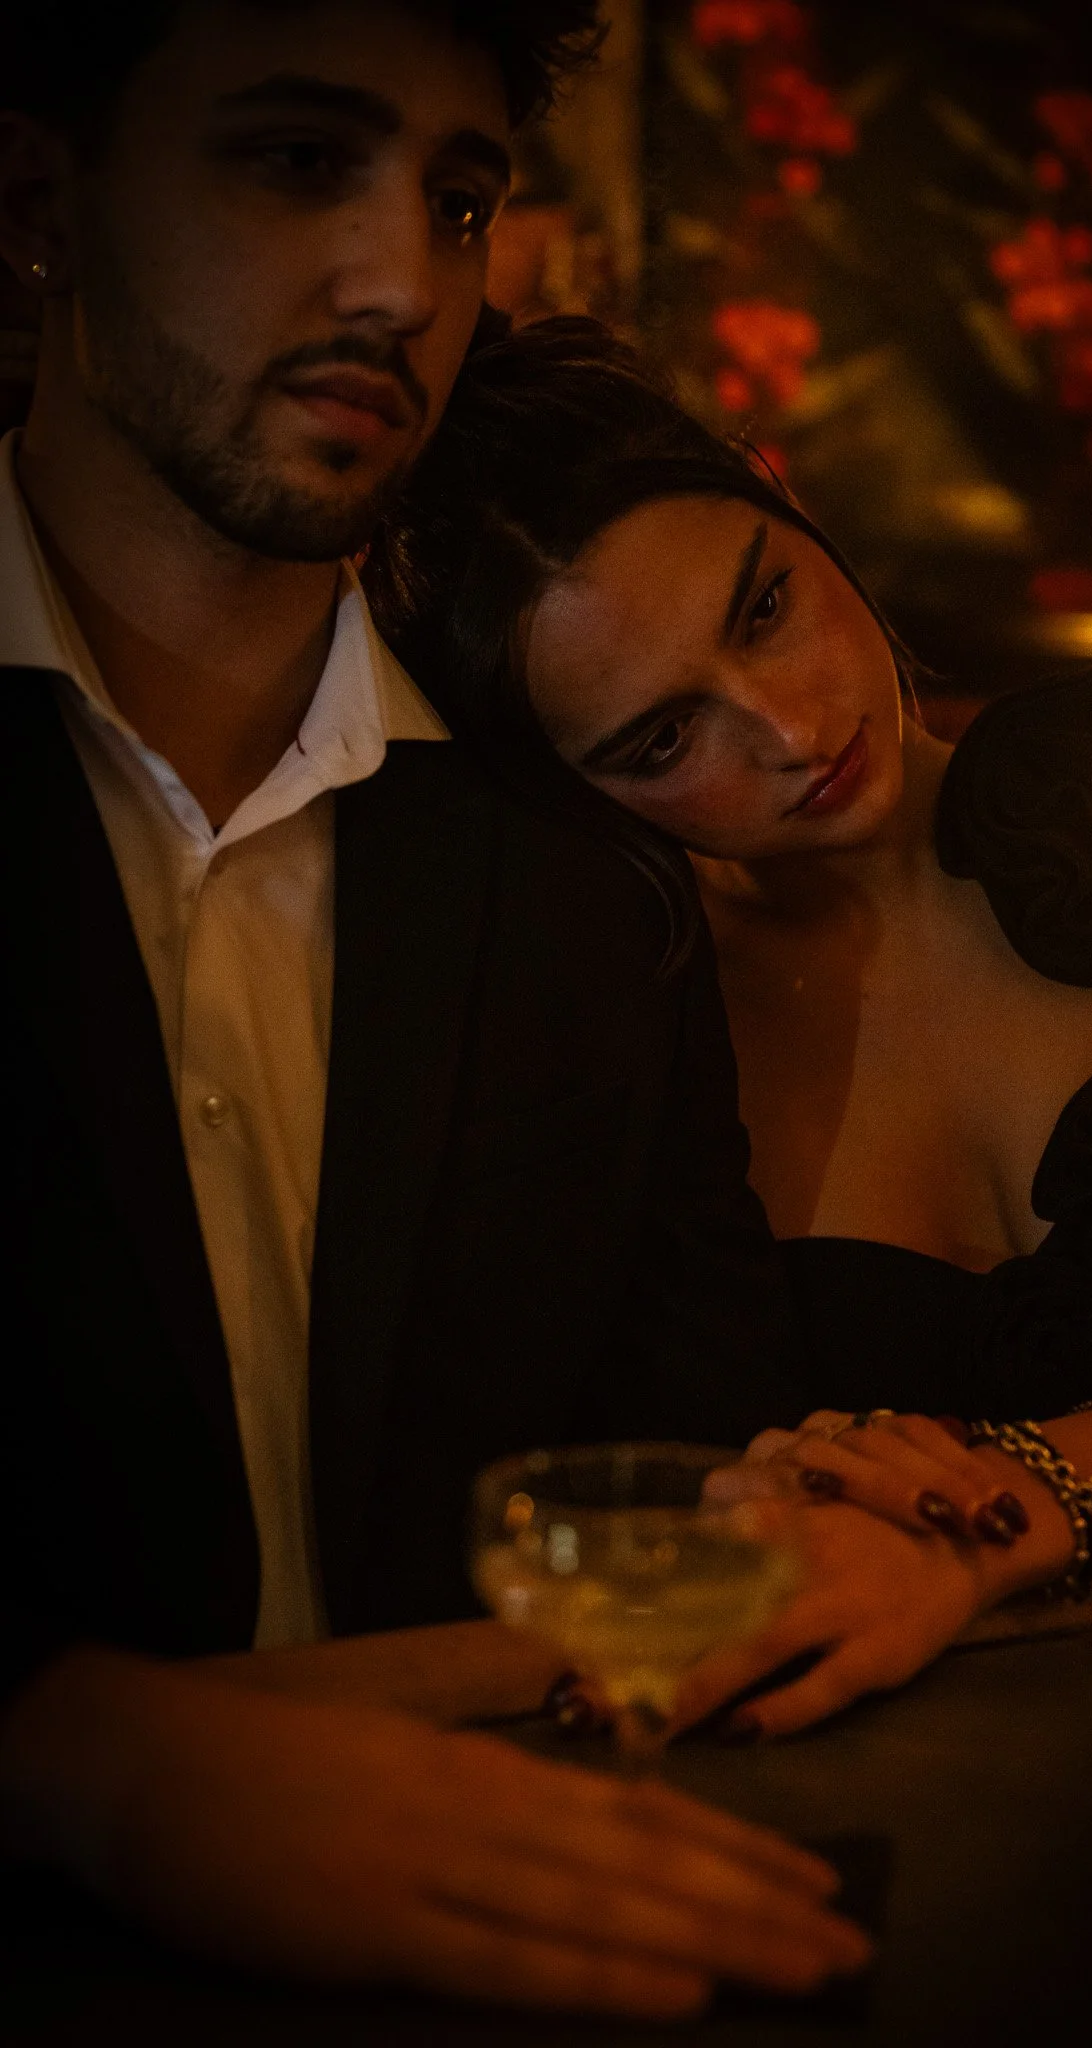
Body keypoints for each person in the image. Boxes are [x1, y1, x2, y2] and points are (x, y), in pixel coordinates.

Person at [0, 3, 873, 2015]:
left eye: (460, 198)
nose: (406, 280)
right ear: (41, 199)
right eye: (297, 160)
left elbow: (699, 1470)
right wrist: (76, 1748)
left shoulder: (572, 860)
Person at [369, 313, 1092, 1738]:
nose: (786, 725)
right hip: (852, 1773)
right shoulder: (615, 1030)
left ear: (797, 510)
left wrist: (999, 1513)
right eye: (664, 739)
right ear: (581, 797)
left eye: (765, 605)